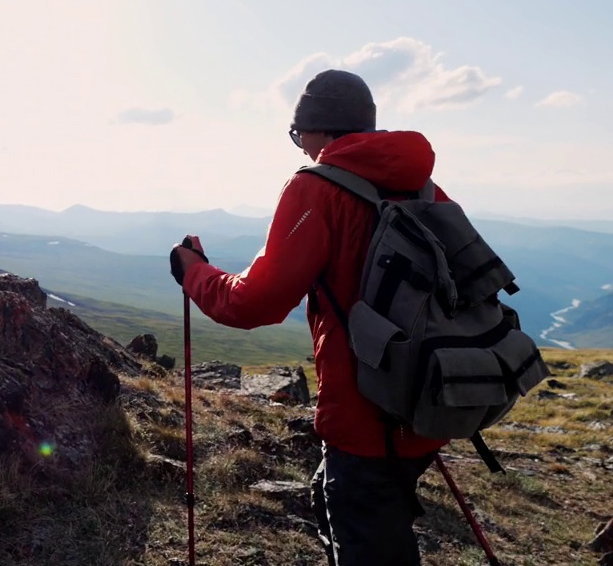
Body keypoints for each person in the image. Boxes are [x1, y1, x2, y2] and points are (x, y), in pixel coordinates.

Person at [169, 69, 448, 566]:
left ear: (321, 130)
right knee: (350, 507)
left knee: (365, 530)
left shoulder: (317, 189)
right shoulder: (423, 187)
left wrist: (195, 274)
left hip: (365, 414)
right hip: (430, 399)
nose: (299, 147)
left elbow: (255, 302)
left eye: (298, 135)